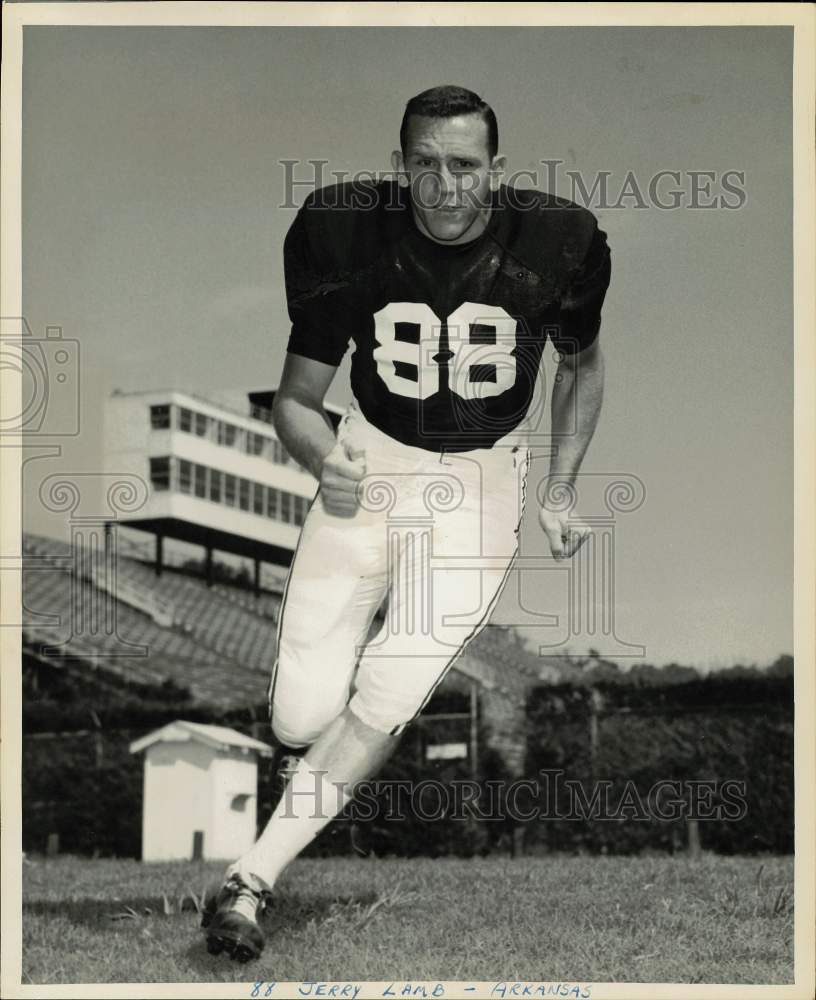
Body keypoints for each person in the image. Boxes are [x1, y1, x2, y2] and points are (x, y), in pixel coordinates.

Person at [202, 84, 610, 962]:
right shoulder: (343, 229)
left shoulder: (559, 240)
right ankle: (302, 763)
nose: (445, 185)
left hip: (478, 486)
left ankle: (249, 882)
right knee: (302, 711)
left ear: (496, 172)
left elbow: (581, 367)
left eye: (465, 165)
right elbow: (297, 400)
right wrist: (324, 461)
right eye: (425, 164)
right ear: (399, 168)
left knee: (390, 692)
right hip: (371, 461)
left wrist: (562, 489)